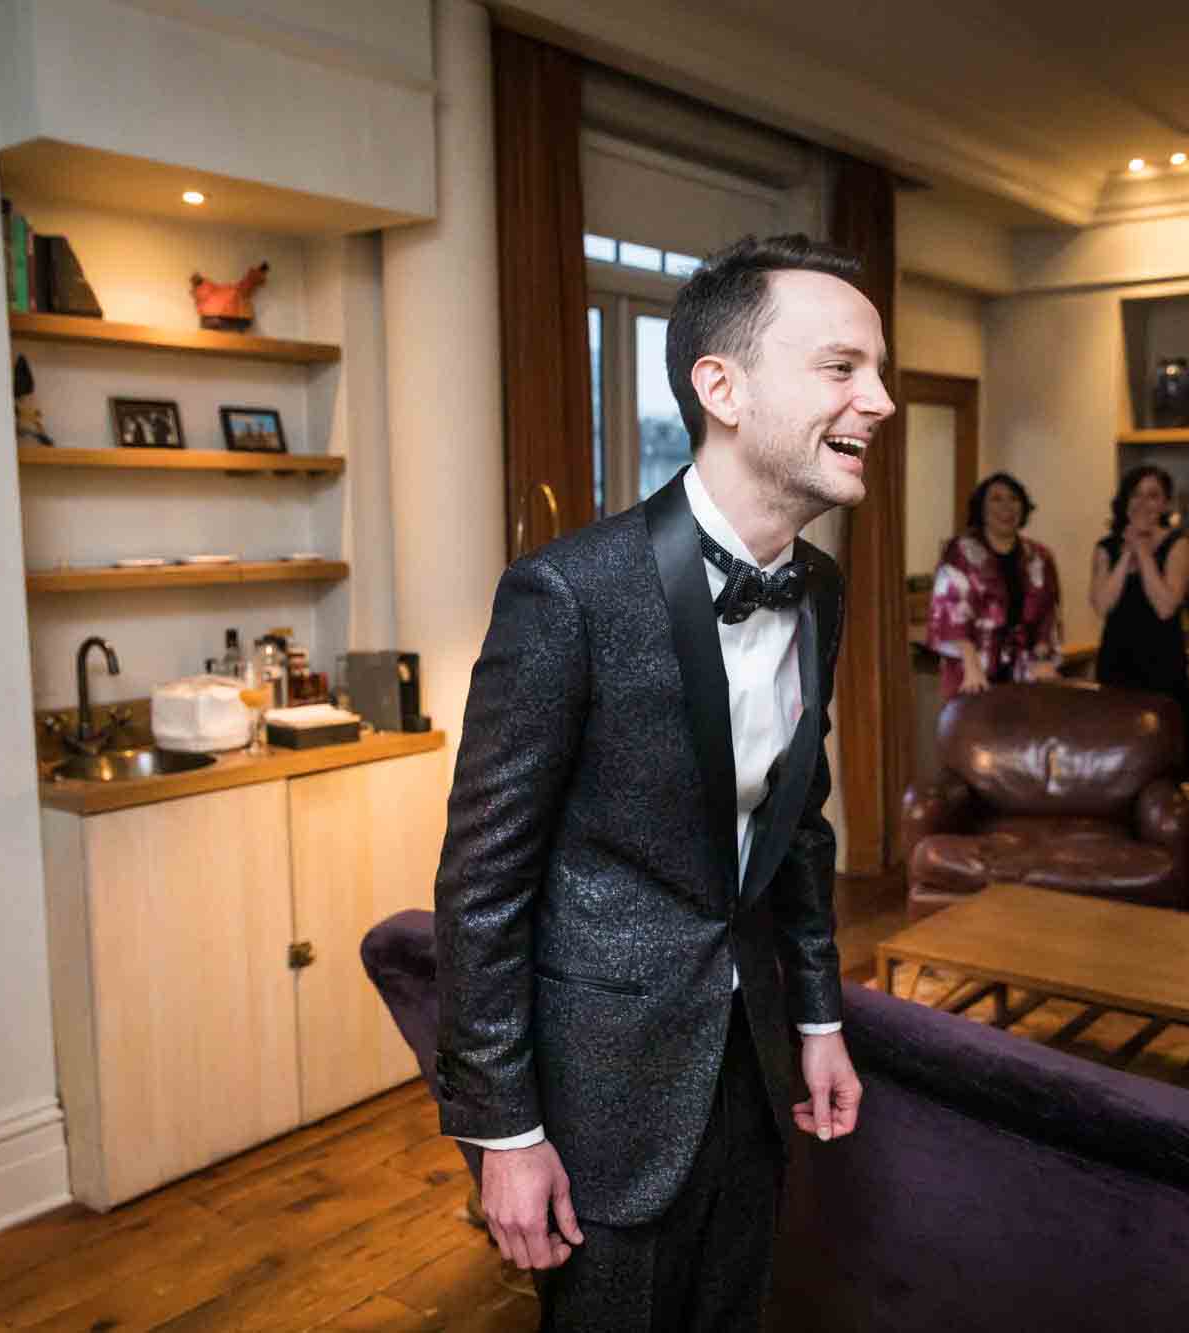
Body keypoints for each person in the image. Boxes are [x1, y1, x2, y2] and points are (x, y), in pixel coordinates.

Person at [433, 234, 879, 1331]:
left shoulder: (819, 588)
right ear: (719, 387)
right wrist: (504, 1131)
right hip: (599, 1086)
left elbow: (799, 824)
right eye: (840, 368)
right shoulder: (567, 593)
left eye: (876, 369)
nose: (879, 399)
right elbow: (482, 884)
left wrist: (817, 1014)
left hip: (753, 1050)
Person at [926, 472, 1063, 697]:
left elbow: (1048, 615)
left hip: (1025, 673)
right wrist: (971, 666)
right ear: (981, 508)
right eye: (996, 499)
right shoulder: (960, 552)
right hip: (972, 670)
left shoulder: (1040, 557)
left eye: (1014, 498)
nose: (1006, 507)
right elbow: (951, 612)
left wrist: (1042, 659)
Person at [1090, 465, 1189, 713]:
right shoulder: (1105, 548)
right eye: (1136, 494)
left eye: (1153, 495)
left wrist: (1143, 552)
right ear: (1126, 500)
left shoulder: (1178, 544)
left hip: (1163, 665)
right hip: (1116, 662)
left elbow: (1166, 607)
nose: (1143, 502)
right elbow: (1103, 605)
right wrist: (1127, 554)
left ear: (1166, 505)